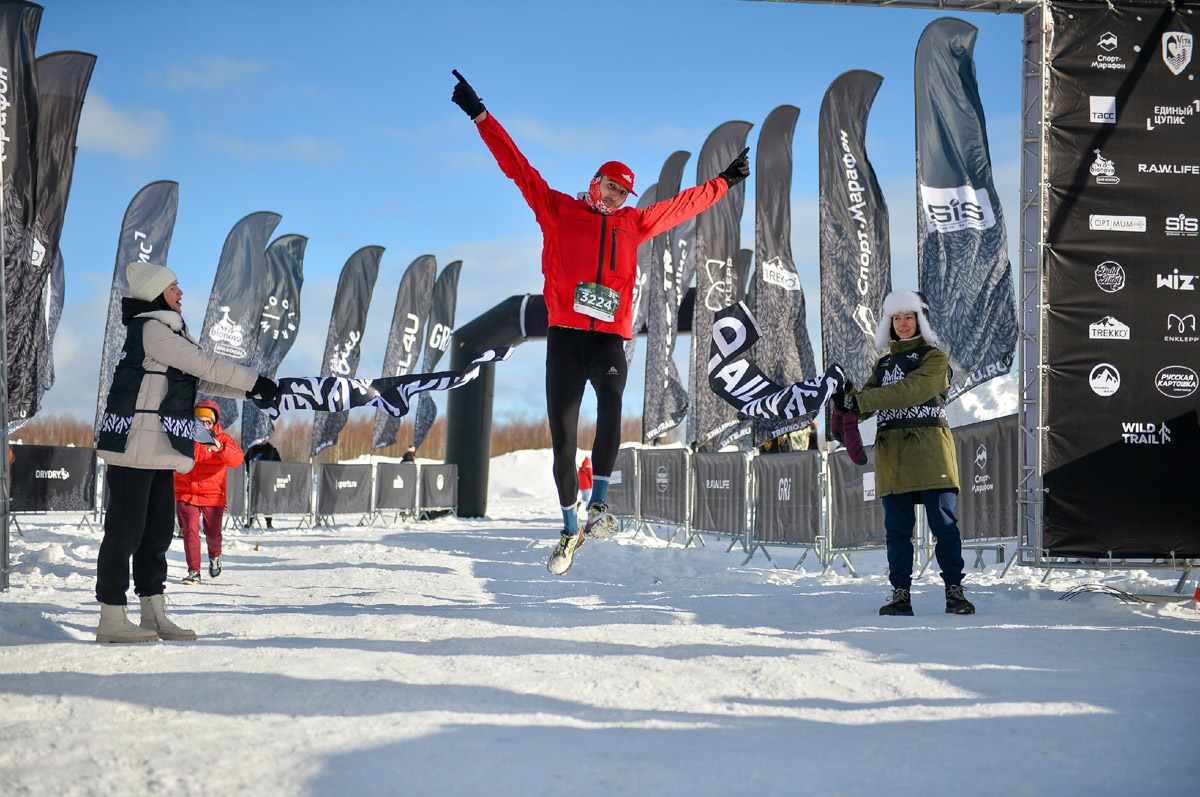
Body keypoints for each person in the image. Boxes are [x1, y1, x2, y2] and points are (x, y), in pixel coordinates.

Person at [452, 69, 749, 575]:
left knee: (612, 402)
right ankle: (570, 528)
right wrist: (481, 114)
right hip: (566, 338)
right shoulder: (558, 210)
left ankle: (600, 504)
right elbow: (517, 167)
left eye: (621, 195)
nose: (613, 199)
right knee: (563, 438)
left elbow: (681, 207)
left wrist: (723, 183)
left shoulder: (634, 224)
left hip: (609, 337)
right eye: (610, 188)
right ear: (596, 181)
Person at [94, 262, 279, 643]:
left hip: (159, 447)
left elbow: (202, 377)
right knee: (124, 533)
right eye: (174, 286)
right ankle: (111, 616)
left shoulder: (168, 332)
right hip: (134, 447)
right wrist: (256, 379)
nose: (181, 292)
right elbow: (203, 363)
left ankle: (153, 613)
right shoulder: (150, 328)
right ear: (157, 292)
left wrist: (253, 393)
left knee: (157, 535)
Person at [836, 290, 975, 616]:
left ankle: (954, 592)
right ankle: (901, 595)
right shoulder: (882, 364)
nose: (901, 324)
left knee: (944, 527)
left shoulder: (935, 359)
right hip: (892, 456)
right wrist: (845, 399)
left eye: (908, 317)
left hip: (931, 453)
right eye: (896, 318)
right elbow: (866, 400)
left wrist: (863, 401)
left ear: (920, 320)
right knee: (897, 532)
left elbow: (913, 391)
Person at [174, 400, 243, 584]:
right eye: (200, 421)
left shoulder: (222, 439)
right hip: (186, 493)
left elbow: (237, 459)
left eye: (208, 422)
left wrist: (220, 449)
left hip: (212, 496)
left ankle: (214, 556)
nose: (204, 426)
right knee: (190, 531)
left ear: (214, 423)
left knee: (213, 535)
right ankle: (193, 571)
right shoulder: (183, 436)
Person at [244, 438, 282, 529]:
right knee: (252, 501)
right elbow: (245, 461)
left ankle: (268, 522)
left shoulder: (272, 450)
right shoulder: (252, 449)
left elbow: (278, 464)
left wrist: (273, 474)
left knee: (267, 502)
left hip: (267, 481)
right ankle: (250, 521)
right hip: (254, 480)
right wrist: (249, 471)